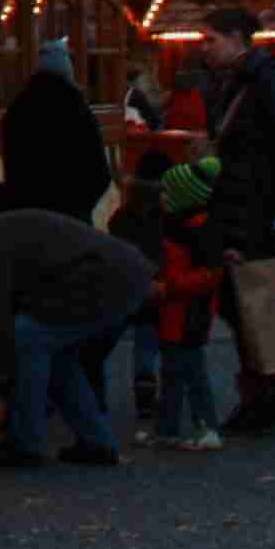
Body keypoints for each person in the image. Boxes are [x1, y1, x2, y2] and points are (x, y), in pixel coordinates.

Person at [0, 206, 154, 469]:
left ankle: (25, 443)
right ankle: (97, 442)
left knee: (28, 337)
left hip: (105, 277)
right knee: (54, 352)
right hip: (120, 273)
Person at [196, 8, 275, 438]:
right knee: (239, 302)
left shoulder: (265, 81)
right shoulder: (238, 80)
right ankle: (269, 389)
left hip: (254, 208)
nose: (204, 47)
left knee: (247, 303)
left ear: (237, 38)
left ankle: (269, 392)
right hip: (240, 203)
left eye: (211, 39)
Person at [150, 155, 226, 451]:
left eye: (168, 192)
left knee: (189, 371)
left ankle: (206, 426)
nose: (162, 197)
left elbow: (208, 275)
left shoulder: (193, 232)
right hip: (177, 310)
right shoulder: (187, 226)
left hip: (186, 312)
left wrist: (168, 286)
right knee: (174, 371)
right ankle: (170, 428)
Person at [0, 36, 113, 222]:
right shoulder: (77, 111)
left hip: (24, 218)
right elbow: (99, 174)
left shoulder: (17, 111)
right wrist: (80, 206)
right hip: (71, 219)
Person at [109, 162, 166, 439]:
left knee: (136, 343)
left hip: (130, 287)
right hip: (157, 287)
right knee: (150, 342)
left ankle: (141, 392)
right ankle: (153, 396)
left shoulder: (121, 218)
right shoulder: (165, 218)